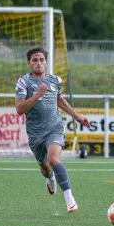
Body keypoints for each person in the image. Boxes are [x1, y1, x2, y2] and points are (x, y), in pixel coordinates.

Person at [15, 47, 90, 213]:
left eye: (41, 60)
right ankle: (50, 178)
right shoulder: (23, 82)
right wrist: (36, 95)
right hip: (35, 134)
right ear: (29, 63)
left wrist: (76, 116)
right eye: (34, 60)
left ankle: (69, 199)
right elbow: (19, 109)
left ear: (46, 62)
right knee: (45, 167)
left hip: (54, 127)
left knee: (54, 159)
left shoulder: (55, 80)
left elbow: (59, 100)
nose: (38, 63)